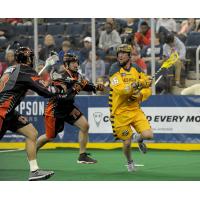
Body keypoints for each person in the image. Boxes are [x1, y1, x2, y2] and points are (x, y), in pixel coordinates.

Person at [0, 47, 67, 181]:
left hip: (9, 112)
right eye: (31, 57)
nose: (32, 60)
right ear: (28, 58)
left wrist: (14, 113)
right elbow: (45, 91)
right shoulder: (26, 70)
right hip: (2, 111)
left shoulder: (11, 69)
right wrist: (59, 89)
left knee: (32, 133)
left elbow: (9, 91)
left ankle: (34, 170)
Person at [36, 53, 104, 164]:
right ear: (66, 64)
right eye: (73, 62)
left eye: (76, 62)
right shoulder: (59, 76)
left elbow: (86, 85)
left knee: (85, 126)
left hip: (68, 108)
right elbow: (62, 97)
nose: (76, 64)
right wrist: (74, 88)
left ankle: (82, 156)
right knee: (49, 137)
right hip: (55, 110)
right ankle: (32, 151)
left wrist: (96, 86)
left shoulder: (77, 76)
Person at [109, 44, 153, 172]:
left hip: (135, 110)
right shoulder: (114, 69)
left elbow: (147, 89)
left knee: (148, 135)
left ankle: (139, 139)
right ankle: (129, 162)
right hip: (120, 112)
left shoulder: (137, 69)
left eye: (123, 53)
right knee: (127, 143)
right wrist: (137, 84)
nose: (120, 55)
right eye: (118, 53)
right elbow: (121, 90)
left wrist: (140, 95)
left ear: (129, 56)